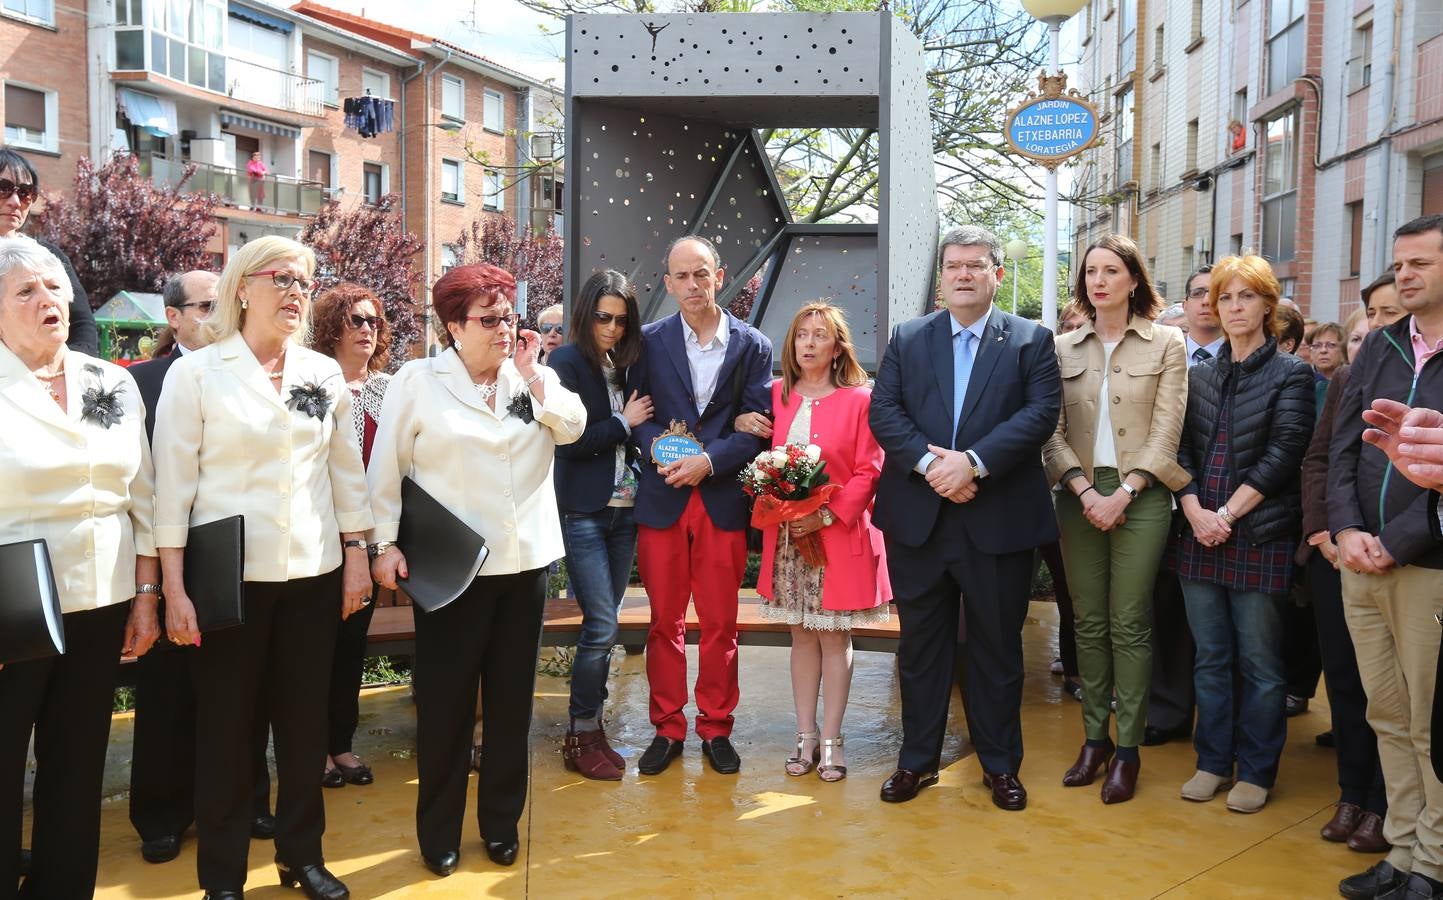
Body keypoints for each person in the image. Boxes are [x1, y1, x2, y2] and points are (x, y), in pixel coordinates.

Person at [152, 236, 373, 900]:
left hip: (311, 573)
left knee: (304, 727)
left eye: (306, 279)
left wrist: (357, 558)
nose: (297, 290)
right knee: (226, 731)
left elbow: (345, 476)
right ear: (242, 287)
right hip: (229, 581)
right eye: (283, 277)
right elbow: (172, 488)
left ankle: (300, 857)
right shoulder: (195, 374)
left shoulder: (321, 373)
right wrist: (170, 587)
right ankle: (222, 874)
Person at [368, 264, 583, 875]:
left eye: (508, 316)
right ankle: (438, 832)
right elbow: (385, 469)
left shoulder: (534, 378)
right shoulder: (417, 380)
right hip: (451, 570)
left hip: (523, 566)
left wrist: (535, 377)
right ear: (453, 327)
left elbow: (573, 429)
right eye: (488, 319)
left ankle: (500, 825)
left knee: (513, 704)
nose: (503, 328)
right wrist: (383, 545)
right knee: (445, 707)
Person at [869, 224, 1062, 810]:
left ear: (996, 275)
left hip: (997, 520)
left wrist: (973, 464)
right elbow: (886, 411)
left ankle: (1001, 765)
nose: (962, 274)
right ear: (941, 276)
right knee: (922, 648)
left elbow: (1040, 415)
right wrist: (934, 465)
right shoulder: (909, 337)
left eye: (975, 265)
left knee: (996, 649)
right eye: (952, 265)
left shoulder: (1031, 341)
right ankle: (917, 762)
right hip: (920, 521)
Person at [0, 236, 160, 897]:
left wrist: (145, 595)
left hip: (98, 602)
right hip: (10, 609)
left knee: (76, 765)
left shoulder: (110, 381)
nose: (48, 300)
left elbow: (143, 496)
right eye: (25, 291)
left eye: (56, 286)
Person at [127, 271, 279, 865]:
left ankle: (249, 800)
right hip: (167, 557)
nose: (220, 312)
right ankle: (162, 815)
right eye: (206, 304)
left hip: (240, 559)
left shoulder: (266, 371)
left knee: (248, 693)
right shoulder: (139, 383)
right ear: (173, 318)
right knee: (168, 694)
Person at [1043, 235, 1189, 804]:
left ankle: (1127, 749)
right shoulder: (1061, 348)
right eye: (1090, 272)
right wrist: (1083, 490)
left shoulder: (1167, 343)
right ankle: (1093, 740)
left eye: (1111, 270)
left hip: (1143, 495)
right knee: (1087, 621)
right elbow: (1050, 433)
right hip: (1078, 495)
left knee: (1129, 621)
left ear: (1134, 279)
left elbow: (1166, 432)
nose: (1098, 281)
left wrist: (1124, 493)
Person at [1172, 254, 1313, 815]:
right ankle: (1212, 762)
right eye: (1223, 298)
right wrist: (1193, 510)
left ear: (1267, 305)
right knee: (1209, 657)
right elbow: (1180, 451)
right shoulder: (1200, 374)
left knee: (1260, 663)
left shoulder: (1292, 373)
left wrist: (1225, 516)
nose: (1231, 308)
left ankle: (1255, 770)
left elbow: (1283, 455)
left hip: (1259, 537)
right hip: (1198, 533)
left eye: (1244, 297)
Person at [626, 235, 773, 776]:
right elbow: (637, 420)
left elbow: (759, 427)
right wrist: (669, 458)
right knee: (664, 621)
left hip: (719, 498)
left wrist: (708, 462)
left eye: (701, 274)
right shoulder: (646, 341)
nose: (692, 285)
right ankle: (667, 727)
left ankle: (716, 726)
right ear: (667, 282)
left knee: (720, 622)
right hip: (664, 495)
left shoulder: (752, 345)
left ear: (720, 275)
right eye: (681, 276)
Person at [1331, 214, 1443, 900]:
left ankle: (1432, 865)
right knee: (1386, 715)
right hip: (1358, 562)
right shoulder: (1378, 345)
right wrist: (1345, 532)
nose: (1402, 275)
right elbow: (1342, 445)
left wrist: (1392, 543)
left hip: (1425, 566)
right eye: (1397, 264)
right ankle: (1400, 853)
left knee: (1432, 725)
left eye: (1418, 264)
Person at [734, 302, 890, 783]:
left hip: (837, 536)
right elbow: (756, 444)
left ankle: (832, 740)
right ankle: (804, 734)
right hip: (786, 540)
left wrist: (825, 515)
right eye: (802, 334)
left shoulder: (861, 398)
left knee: (832, 636)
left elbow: (871, 468)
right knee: (800, 635)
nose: (808, 343)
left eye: (820, 335)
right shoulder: (775, 394)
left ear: (838, 345)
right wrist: (742, 423)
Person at [1298, 269, 1408, 855]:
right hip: (1336, 554)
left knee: (1394, 697)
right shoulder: (1344, 381)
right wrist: (1326, 533)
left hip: (1401, 559)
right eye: (1368, 324)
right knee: (1344, 683)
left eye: (1389, 317)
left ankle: (1386, 804)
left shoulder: (1419, 380)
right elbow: (1320, 460)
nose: (1376, 333)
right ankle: (1351, 795)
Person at [547, 270, 650, 781]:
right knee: (601, 625)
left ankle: (595, 726)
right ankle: (581, 731)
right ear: (586, 312)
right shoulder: (563, 363)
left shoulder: (623, 367)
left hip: (624, 512)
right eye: (603, 317)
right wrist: (624, 423)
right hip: (584, 512)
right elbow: (570, 440)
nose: (611, 328)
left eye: (621, 320)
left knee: (603, 628)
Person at [310, 283, 393, 791]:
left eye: (373, 321)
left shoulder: (391, 389)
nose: (368, 329)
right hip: (323, 534)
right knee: (314, 647)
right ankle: (312, 746)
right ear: (332, 328)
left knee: (350, 646)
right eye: (356, 320)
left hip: (371, 539)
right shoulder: (313, 386)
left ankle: (340, 742)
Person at [1144, 264, 1218, 748]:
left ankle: (1218, 729)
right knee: (1165, 614)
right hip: (1160, 502)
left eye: (1223, 294)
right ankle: (1167, 713)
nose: (1208, 302)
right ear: (1185, 305)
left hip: (1223, 509)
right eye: (1198, 294)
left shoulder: (1246, 361)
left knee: (1220, 631)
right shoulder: (1162, 355)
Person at [0, 147, 97, 355]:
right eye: (3, 189)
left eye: (25, 193)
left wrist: (72, 373)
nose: (15, 202)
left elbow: (82, 324)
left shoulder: (48, 256)